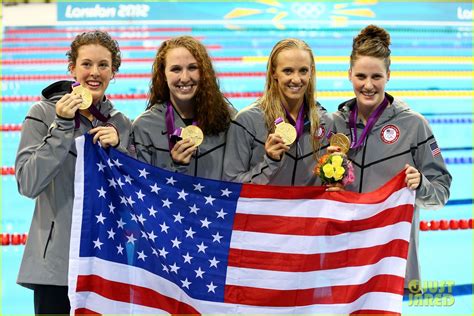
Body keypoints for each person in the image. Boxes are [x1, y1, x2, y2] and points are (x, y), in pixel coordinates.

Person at [15, 30, 131, 314]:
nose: (95, 72)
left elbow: (132, 196)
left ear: (113, 71)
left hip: (105, 263)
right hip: (55, 267)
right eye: (87, 64)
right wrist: (63, 125)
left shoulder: (121, 124)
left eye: (103, 65)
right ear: (72, 69)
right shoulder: (42, 113)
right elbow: (27, 183)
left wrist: (121, 152)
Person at [330, 25, 452, 291]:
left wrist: (421, 184)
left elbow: (441, 193)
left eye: (376, 76)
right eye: (361, 76)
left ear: (389, 76)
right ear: (349, 74)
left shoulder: (414, 125)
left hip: (388, 258)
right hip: (342, 253)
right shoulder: (334, 125)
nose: (368, 85)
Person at [223, 38, 331, 185]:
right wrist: (270, 162)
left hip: (308, 208)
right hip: (264, 208)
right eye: (288, 71)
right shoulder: (247, 121)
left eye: (303, 71)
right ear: (274, 73)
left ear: (311, 72)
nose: (296, 79)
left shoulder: (325, 122)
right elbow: (231, 184)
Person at [131, 35, 235, 180]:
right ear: (163, 75)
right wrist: (175, 166)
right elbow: (142, 188)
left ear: (204, 72)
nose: (185, 78)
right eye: (176, 69)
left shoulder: (228, 120)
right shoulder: (144, 127)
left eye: (192, 68)